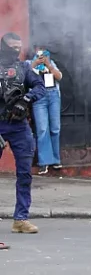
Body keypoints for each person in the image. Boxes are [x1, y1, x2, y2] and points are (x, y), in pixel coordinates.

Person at [0, 32, 46, 240]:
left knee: (25, 173)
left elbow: (40, 86)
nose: (16, 50)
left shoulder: (23, 67)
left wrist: (25, 99)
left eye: (19, 46)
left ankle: (20, 219)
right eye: (12, 46)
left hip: (19, 126)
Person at [28, 45, 63, 175]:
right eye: (39, 52)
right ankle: (44, 162)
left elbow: (59, 76)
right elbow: (25, 73)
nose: (41, 56)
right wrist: (35, 63)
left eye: (44, 53)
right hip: (39, 97)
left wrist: (48, 65)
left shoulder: (51, 63)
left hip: (53, 95)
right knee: (42, 129)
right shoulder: (29, 63)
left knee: (55, 128)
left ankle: (56, 159)